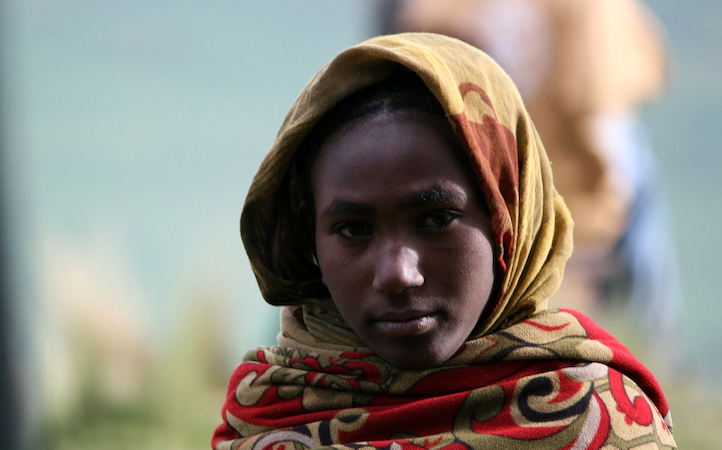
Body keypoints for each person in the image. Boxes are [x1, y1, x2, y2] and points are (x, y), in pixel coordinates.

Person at [213, 33, 676, 449]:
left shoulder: (595, 419)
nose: (397, 273)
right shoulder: (269, 413)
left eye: (437, 219)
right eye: (354, 230)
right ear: (307, 236)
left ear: (510, 220)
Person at [384, 0, 681, 341]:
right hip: (575, 220)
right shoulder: (591, 9)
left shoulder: (432, 11)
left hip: (486, 219)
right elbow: (622, 95)